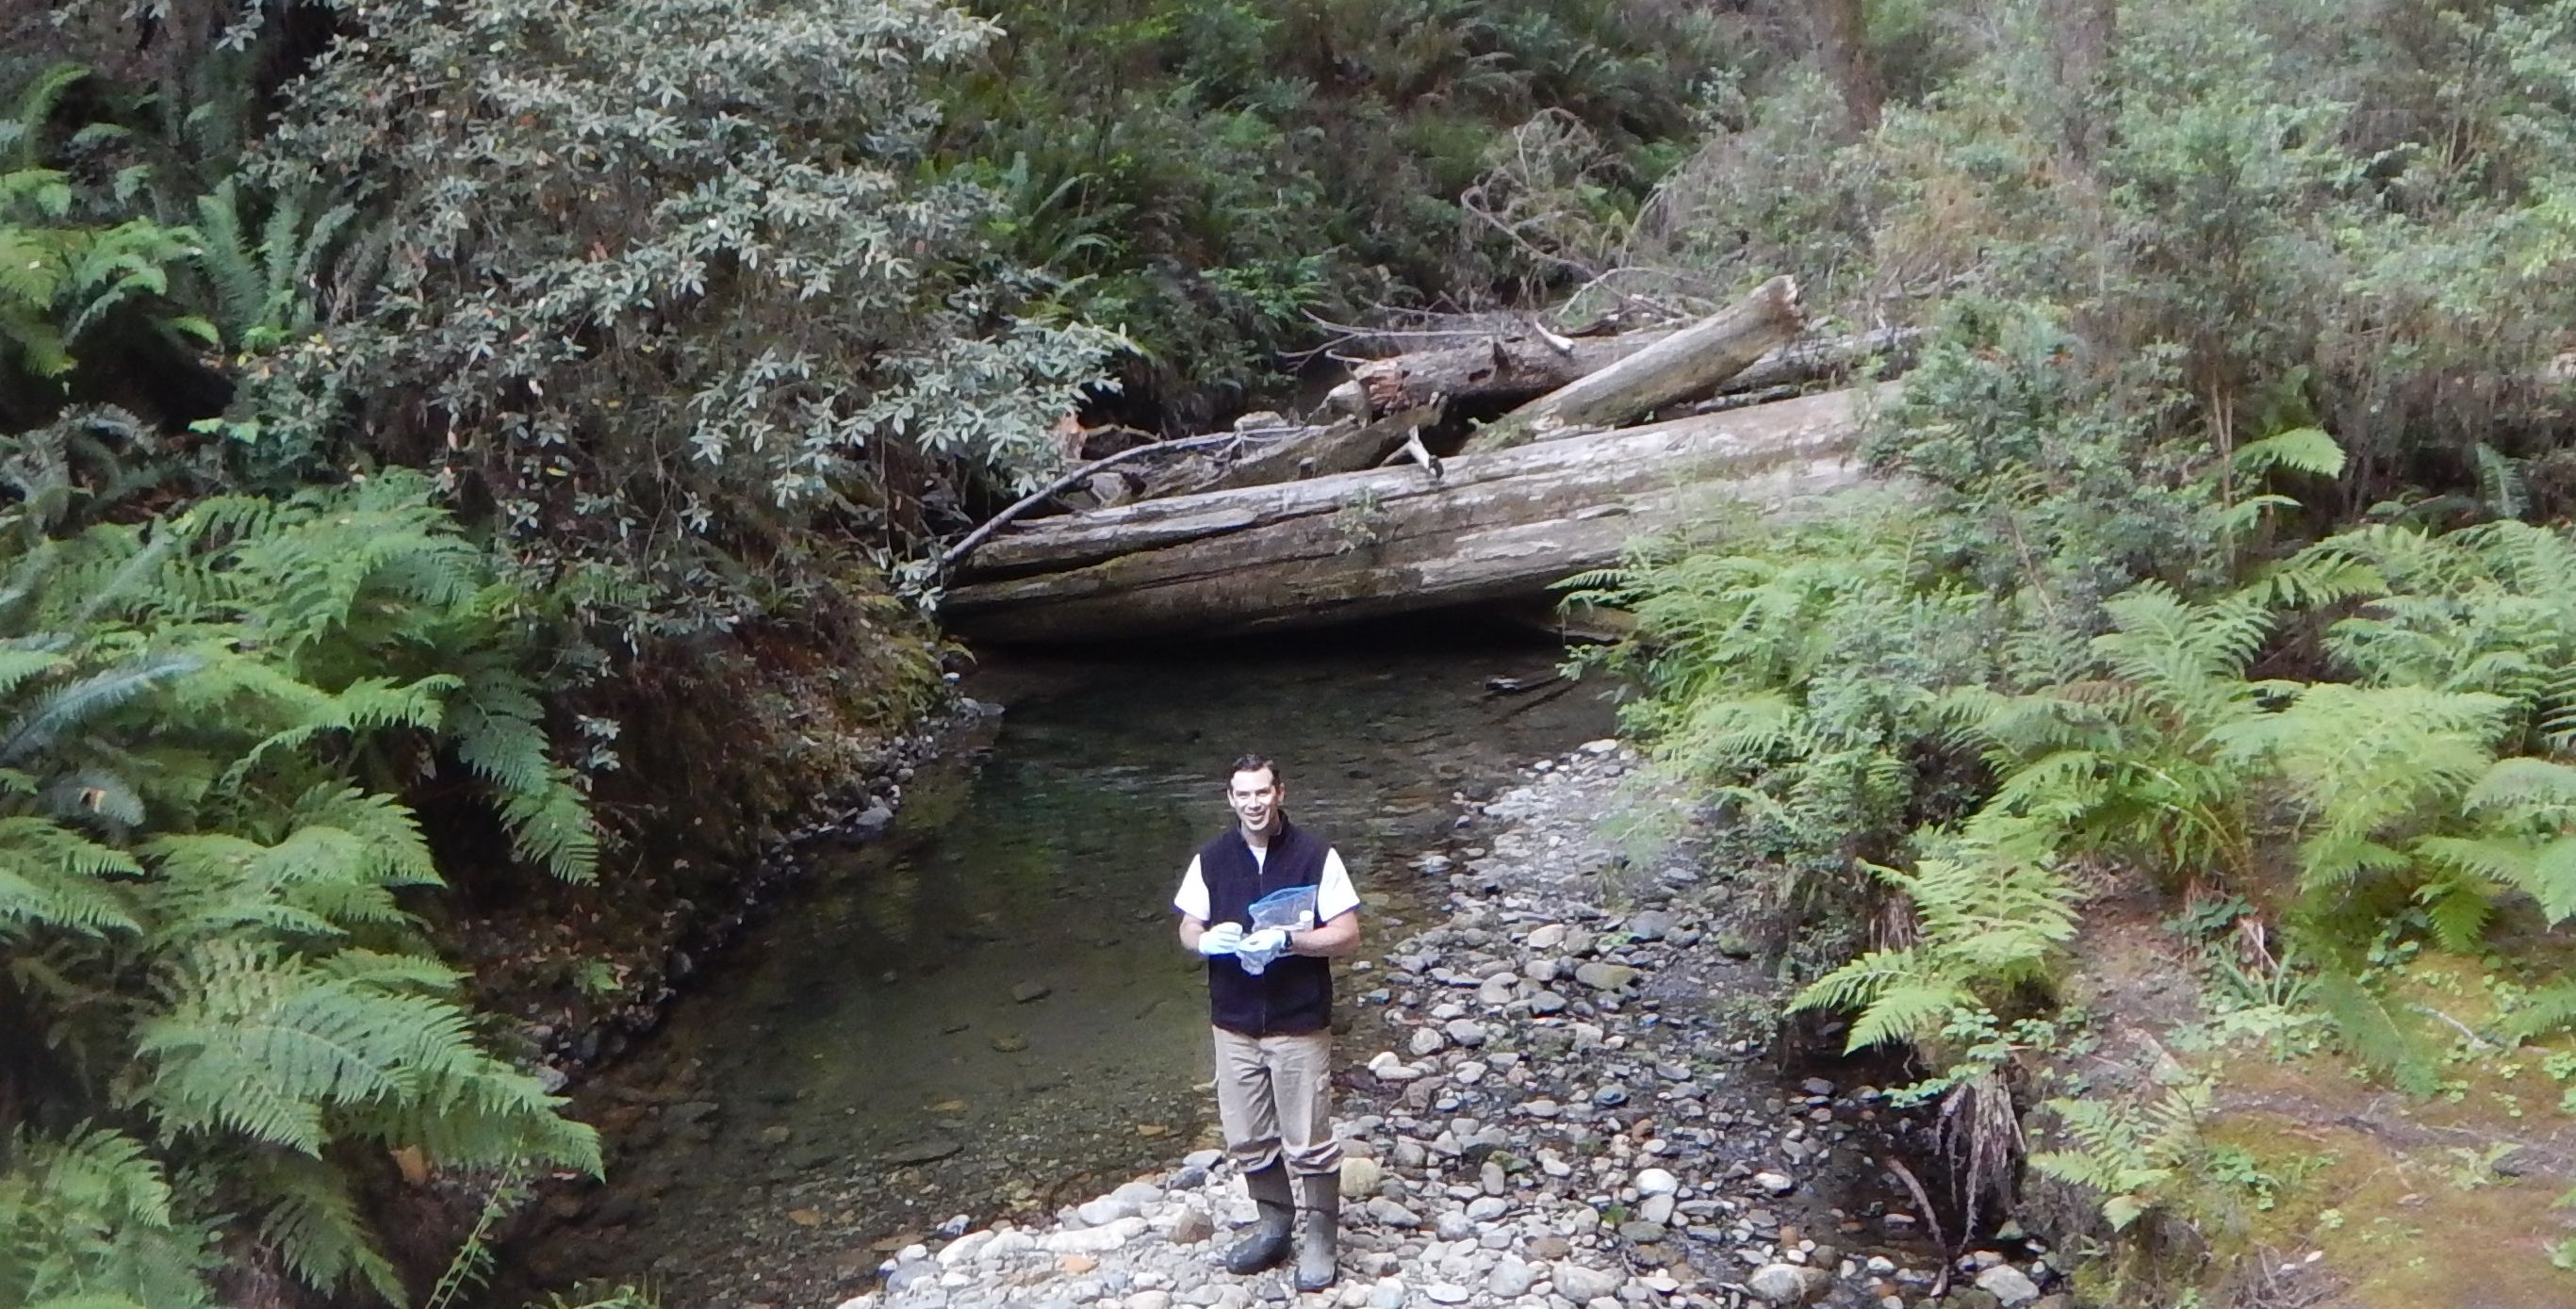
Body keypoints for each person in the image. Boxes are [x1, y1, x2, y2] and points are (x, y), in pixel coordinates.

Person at [1173, 755, 1362, 1292]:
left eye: (1262, 792)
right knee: (1248, 1136)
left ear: (1280, 793)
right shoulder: (1211, 859)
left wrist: (1290, 940)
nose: (1254, 804)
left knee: (1308, 1139)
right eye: (1243, 795)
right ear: (1230, 799)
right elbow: (1190, 925)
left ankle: (1322, 1234)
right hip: (1232, 1022)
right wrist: (1202, 941)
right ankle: (1274, 1222)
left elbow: (1347, 935)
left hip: (1297, 1019)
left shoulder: (1315, 856)